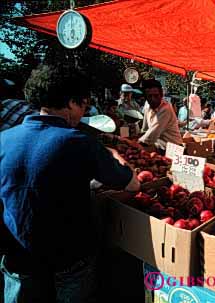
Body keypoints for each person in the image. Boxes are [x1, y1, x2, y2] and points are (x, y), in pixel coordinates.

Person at [0, 64, 140, 303]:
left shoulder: (3, 139)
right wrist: (116, 157)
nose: (83, 110)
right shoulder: (79, 142)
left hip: (18, 257)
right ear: (70, 103)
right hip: (70, 259)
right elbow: (132, 185)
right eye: (83, 104)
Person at [139, 79, 183, 151]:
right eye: (149, 96)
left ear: (161, 95)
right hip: (160, 147)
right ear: (145, 97)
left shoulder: (166, 109)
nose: (153, 99)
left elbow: (150, 136)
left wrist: (136, 144)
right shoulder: (147, 107)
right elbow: (145, 130)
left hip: (175, 150)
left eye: (156, 96)